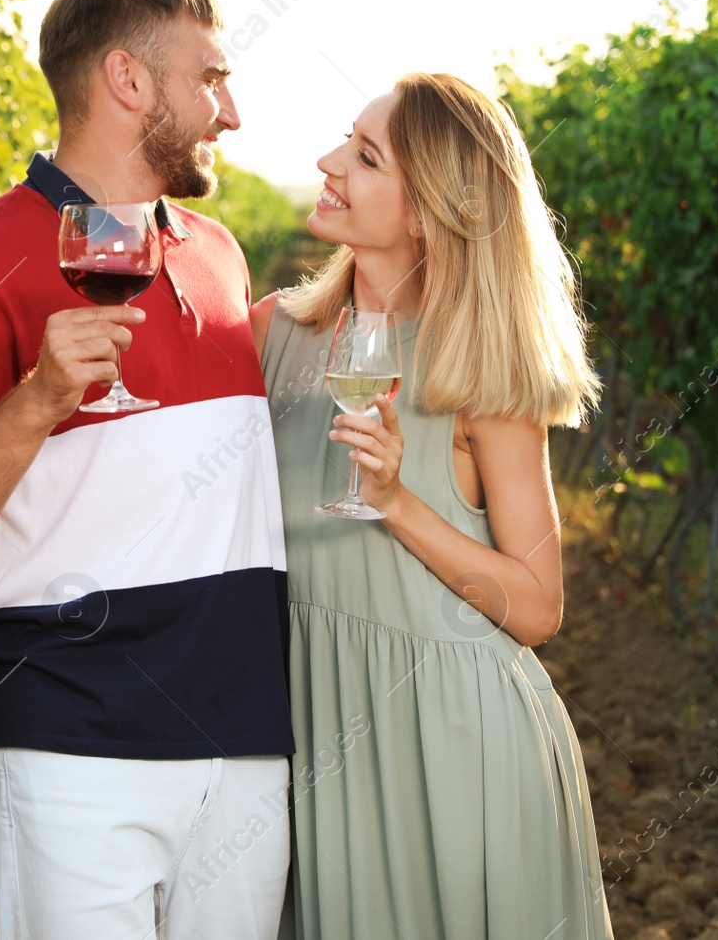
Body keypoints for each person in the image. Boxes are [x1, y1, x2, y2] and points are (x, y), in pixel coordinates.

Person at [0, 0, 294, 940]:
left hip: (242, 747)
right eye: (210, 78)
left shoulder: (218, 254)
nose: (228, 111)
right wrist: (40, 401)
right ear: (128, 80)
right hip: (70, 747)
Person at [253, 73, 616, 939]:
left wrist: (398, 502)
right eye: (347, 140)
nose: (328, 162)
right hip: (319, 731)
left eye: (364, 156)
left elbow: (536, 605)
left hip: (459, 746)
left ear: (425, 213)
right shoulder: (272, 335)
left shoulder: (478, 372)